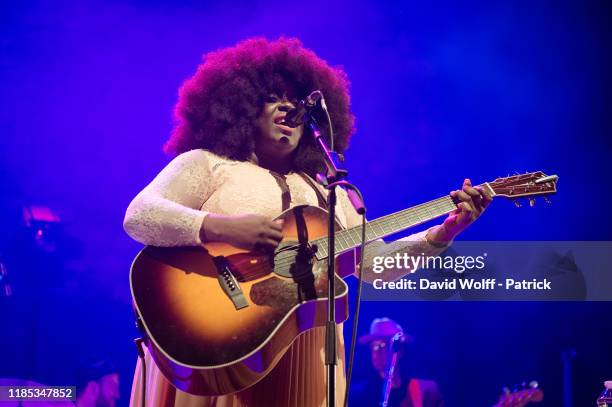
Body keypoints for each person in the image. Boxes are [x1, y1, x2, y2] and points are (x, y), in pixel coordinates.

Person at [123, 37, 490, 407]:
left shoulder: (329, 191)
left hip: (310, 354)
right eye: (272, 97)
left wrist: (442, 234)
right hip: (218, 342)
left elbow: (372, 265)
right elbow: (140, 216)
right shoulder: (208, 163)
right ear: (241, 106)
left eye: (296, 100)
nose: (287, 106)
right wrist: (221, 227)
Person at [352, 318, 444, 407]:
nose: (376, 351)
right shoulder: (362, 393)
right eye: (373, 346)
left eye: (382, 345)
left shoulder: (426, 391)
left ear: (399, 350)